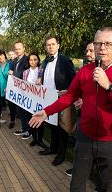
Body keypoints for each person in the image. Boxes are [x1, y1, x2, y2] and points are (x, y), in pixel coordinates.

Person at [29, 27, 112, 191]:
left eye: (108, 43)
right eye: (98, 43)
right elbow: (69, 97)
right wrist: (46, 111)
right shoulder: (85, 71)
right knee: (76, 184)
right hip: (85, 138)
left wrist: (109, 87)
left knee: (105, 186)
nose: (102, 47)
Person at [36, 36, 76, 166]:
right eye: (48, 45)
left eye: (53, 44)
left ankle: (61, 154)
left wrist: (68, 90)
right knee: (52, 126)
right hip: (48, 98)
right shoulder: (45, 61)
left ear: (58, 45)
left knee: (62, 128)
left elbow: (75, 80)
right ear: (45, 47)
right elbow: (41, 74)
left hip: (61, 99)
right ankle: (52, 148)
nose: (50, 46)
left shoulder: (65, 60)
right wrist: (39, 79)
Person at [66, 41, 96, 176]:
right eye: (86, 51)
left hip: (97, 119)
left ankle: (92, 169)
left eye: (91, 50)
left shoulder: (105, 72)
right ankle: (80, 168)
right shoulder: (86, 68)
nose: (87, 54)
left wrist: (86, 102)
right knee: (80, 141)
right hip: (83, 114)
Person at [22, 52, 47, 146]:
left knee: (40, 120)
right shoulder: (25, 73)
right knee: (31, 119)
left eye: (35, 59)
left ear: (38, 60)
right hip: (29, 100)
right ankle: (34, 139)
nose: (33, 62)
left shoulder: (42, 71)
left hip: (39, 100)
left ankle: (40, 140)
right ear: (28, 61)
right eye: (31, 60)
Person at [10, 41, 31, 139]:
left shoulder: (27, 60)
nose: (17, 51)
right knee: (20, 111)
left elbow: (25, 73)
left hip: (25, 91)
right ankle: (24, 128)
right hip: (17, 91)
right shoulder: (14, 61)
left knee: (26, 112)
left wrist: (13, 73)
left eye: (19, 48)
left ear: (23, 49)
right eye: (16, 49)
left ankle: (28, 131)